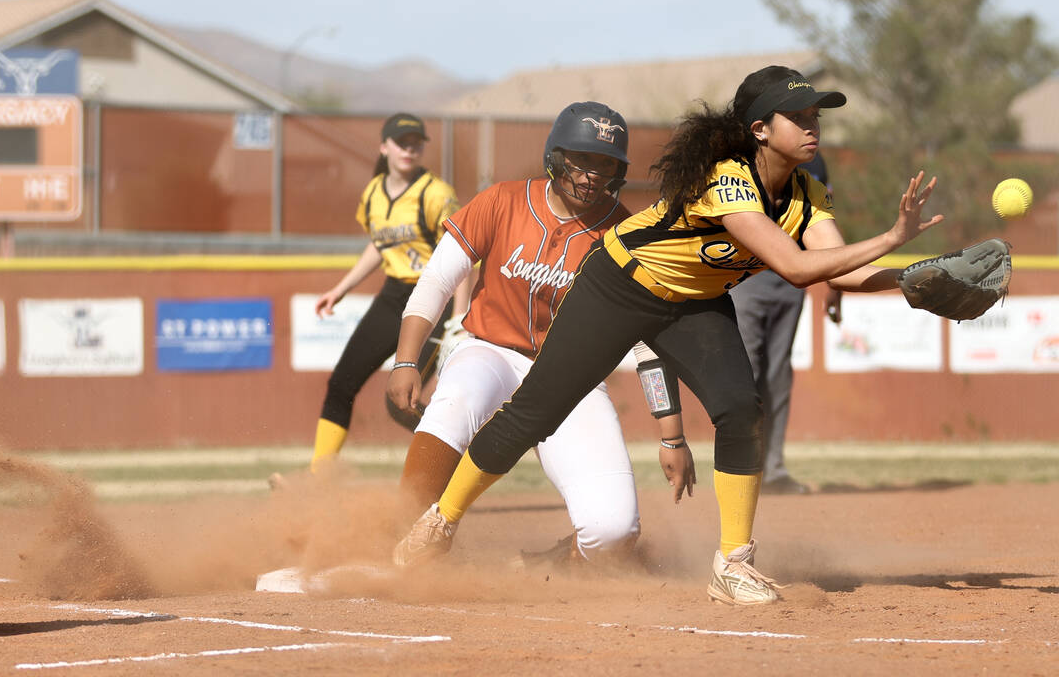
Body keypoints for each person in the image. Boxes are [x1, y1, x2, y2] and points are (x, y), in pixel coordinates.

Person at [393, 65, 944, 606]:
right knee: (536, 410)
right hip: (619, 285)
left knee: (739, 408)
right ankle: (440, 521)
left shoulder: (807, 192)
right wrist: (895, 236)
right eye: (796, 116)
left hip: (695, 301)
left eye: (815, 115)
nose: (812, 126)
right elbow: (798, 268)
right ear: (759, 129)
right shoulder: (727, 178)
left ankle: (733, 564)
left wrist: (916, 280)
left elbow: (836, 268)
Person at [386, 101, 695, 567]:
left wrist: (671, 434)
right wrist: (407, 360)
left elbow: (646, 341)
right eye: (582, 158)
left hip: (572, 376)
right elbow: (436, 281)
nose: (593, 173)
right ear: (555, 155)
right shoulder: (503, 200)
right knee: (455, 404)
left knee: (613, 531)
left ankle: (552, 567)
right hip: (489, 350)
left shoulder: (624, 233)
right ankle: (402, 541)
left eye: (606, 163)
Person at [302, 112, 467, 475]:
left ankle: (456, 460)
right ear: (384, 147)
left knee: (402, 401)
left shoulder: (435, 192)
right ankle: (317, 481)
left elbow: (463, 252)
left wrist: (459, 316)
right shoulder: (374, 192)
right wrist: (341, 289)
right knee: (342, 383)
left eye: (415, 142)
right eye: (401, 141)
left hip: (433, 298)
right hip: (394, 296)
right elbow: (380, 244)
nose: (409, 148)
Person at [730, 151, 842, 494]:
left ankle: (773, 469)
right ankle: (740, 468)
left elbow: (824, 221)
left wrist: (836, 288)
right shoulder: (751, 157)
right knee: (744, 372)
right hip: (748, 275)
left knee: (777, 373)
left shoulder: (815, 163)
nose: (807, 126)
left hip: (793, 281)